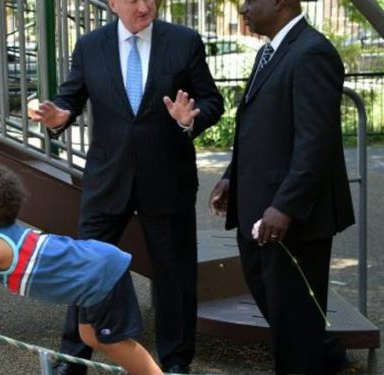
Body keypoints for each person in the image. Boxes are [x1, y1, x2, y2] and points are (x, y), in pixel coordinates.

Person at [28, 0, 224, 372]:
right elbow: (71, 98)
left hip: (168, 178)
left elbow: (213, 101)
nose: (144, 5)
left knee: (174, 277)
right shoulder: (90, 45)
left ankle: (176, 363)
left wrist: (191, 118)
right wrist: (59, 115)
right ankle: (72, 360)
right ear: (113, 3)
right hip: (108, 179)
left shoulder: (184, 41)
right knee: (86, 268)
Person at [208, 1, 354, 373]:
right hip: (257, 210)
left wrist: (286, 206)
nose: (242, 8)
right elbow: (260, 127)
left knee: (295, 325)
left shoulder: (313, 52)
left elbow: (315, 142)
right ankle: (328, 359)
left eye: (250, 0)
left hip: (293, 220)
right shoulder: (270, 51)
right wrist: (231, 175)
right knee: (287, 318)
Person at [0, 160, 162, 375]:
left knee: (113, 341)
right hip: (93, 274)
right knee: (90, 336)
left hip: (100, 274)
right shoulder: (2, 239)